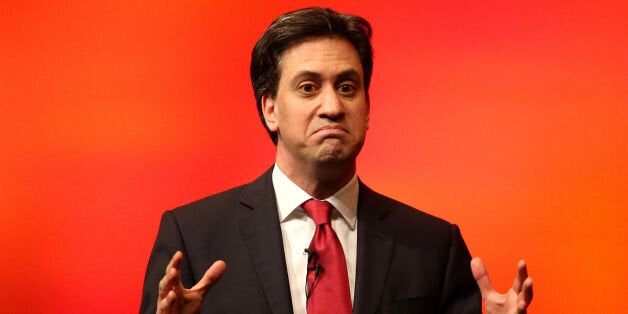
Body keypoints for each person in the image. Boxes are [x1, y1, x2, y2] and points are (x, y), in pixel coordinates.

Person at [140, 7, 533, 314]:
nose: (332, 106)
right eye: (308, 88)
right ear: (270, 109)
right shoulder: (193, 238)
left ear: (367, 108)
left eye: (347, 87)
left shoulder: (432, 246)